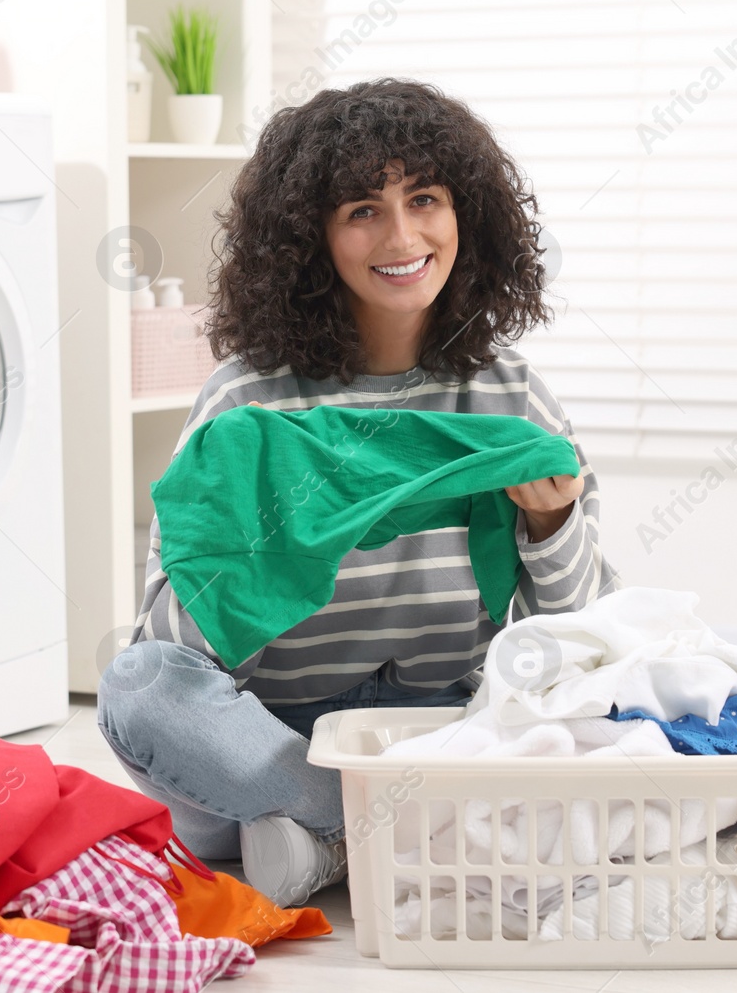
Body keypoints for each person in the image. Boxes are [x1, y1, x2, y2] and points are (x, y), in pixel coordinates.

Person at [97, 77, 620, 907]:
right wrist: (267, 541)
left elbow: (585, 636)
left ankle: (316, 841)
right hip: (270, 733)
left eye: (425, 199)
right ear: (313, 238)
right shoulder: (246, 407)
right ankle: (391, 832)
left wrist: (552, 523)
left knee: (611, 705)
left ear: (467, 218)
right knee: (136, 687)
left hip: (433, 729)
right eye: (363, 210)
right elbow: (172, 650)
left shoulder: (509, 399)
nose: (403, 234)